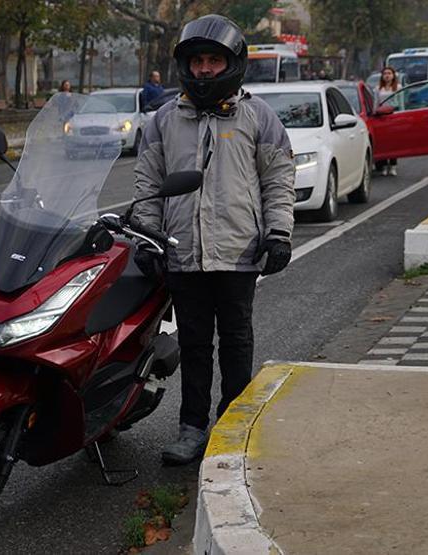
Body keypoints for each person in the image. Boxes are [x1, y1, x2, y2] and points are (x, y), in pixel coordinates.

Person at [131, 14, 295, 466]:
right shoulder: (164, 120)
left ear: (231, 64)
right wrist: (148, 239)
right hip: (183, 253)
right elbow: (147, 185)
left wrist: (278, 233)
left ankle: (236, 423)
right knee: (195, 345)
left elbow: (278, 179)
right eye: (198, 61)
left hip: (239, 252)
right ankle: (192, 428)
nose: (204, 69)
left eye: (214, 60)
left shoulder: (258, 117)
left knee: (237, 341)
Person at [376, 66, 401, 176]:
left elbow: (401, 103)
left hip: (394, 117)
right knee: (383, 143)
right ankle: (384, 166)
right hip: (382, 118)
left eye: (389, 73)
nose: (387, 75)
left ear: (393, 75)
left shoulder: (398, 87)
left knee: (394, 143)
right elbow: (376, 104)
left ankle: (393, 166)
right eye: (385, 73)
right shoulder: (378, 89)